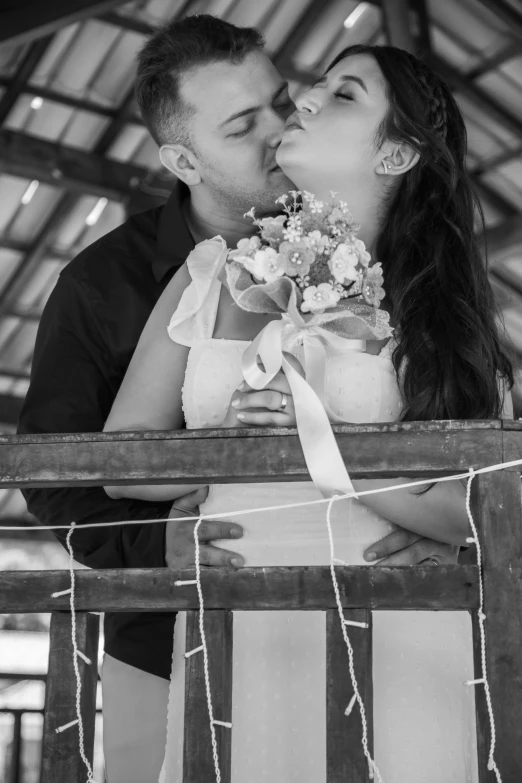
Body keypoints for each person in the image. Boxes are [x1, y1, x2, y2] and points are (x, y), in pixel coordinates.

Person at [17, 14, 466, 782]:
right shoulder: (114, 285)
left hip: (393, 618)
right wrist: (159, 540)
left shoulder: (420, 281)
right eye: (240, 124)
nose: (283, 123)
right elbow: (67, 471)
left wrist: (459, 538)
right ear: (184, 158)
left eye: (283, 100)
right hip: (172, 629)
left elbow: (477, 477)